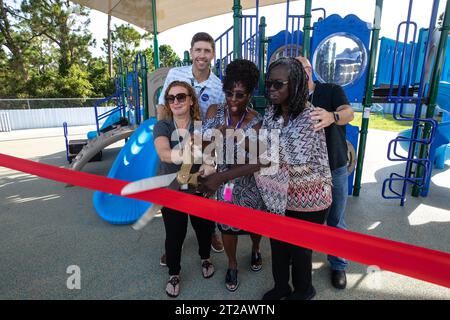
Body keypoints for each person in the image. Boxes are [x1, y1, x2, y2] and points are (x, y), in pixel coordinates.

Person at [199, 57, 332, 300]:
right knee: (279, 247)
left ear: (296, 84)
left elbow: (269, 157)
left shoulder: (309, 118)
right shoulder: (272, 113)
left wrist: (222, 173)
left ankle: (304, 291)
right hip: (279, 195)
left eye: (278, 84)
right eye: (269, 83)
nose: (271, 89)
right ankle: (281, 287)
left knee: (300, 251)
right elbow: (261, 147)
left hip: (309, 197)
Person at [157, 32, 225, 264]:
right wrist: (164, 130)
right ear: (191, 51)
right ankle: (172, 244)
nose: (202, 55)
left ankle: (209, 233)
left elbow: (215, 120)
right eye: (198, 50)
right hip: (177, 132)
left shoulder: (218, 86)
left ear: (213, 55)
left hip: (202, 139)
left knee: (204, 191)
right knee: (175, 190)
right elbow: (162, 106)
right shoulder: (176, 74)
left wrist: (208, 151)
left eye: (207, 51)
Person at [202, 59, 265, 292]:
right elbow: (205, 146)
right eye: (229, 93)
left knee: (255, 225)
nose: (233, 100)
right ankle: (232, 263)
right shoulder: (213, 112)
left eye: (240, 95)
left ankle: (256, 249)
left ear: (250, 94)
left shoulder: (257, 120)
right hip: (223, 182)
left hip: (249, 182)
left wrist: (234, 135)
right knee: (227, 227)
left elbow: (260, 159)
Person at [296, 55, 354, 290]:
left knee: (336, 218)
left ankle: (338, 264)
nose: (297, 74)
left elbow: (348, 113)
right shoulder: (292, 98)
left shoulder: (330, 90)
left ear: (309, 69)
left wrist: (332, 117)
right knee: (302, 218)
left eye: (300, 68)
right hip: (305, 171)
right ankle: (299, 258)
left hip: (335, 166)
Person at [153, 80, 215, 298]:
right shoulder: (163, 125)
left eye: (181, 97)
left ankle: (205, 258)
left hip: (198, 188)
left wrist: (209, 166)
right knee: (174, 234)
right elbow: (163, 152)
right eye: (171, 98)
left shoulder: (201, 126)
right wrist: (183, 154)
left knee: (203, 228)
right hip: (172, 189)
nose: (176, 101)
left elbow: (209, 158)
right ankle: (174, 273)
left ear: (190, 100)